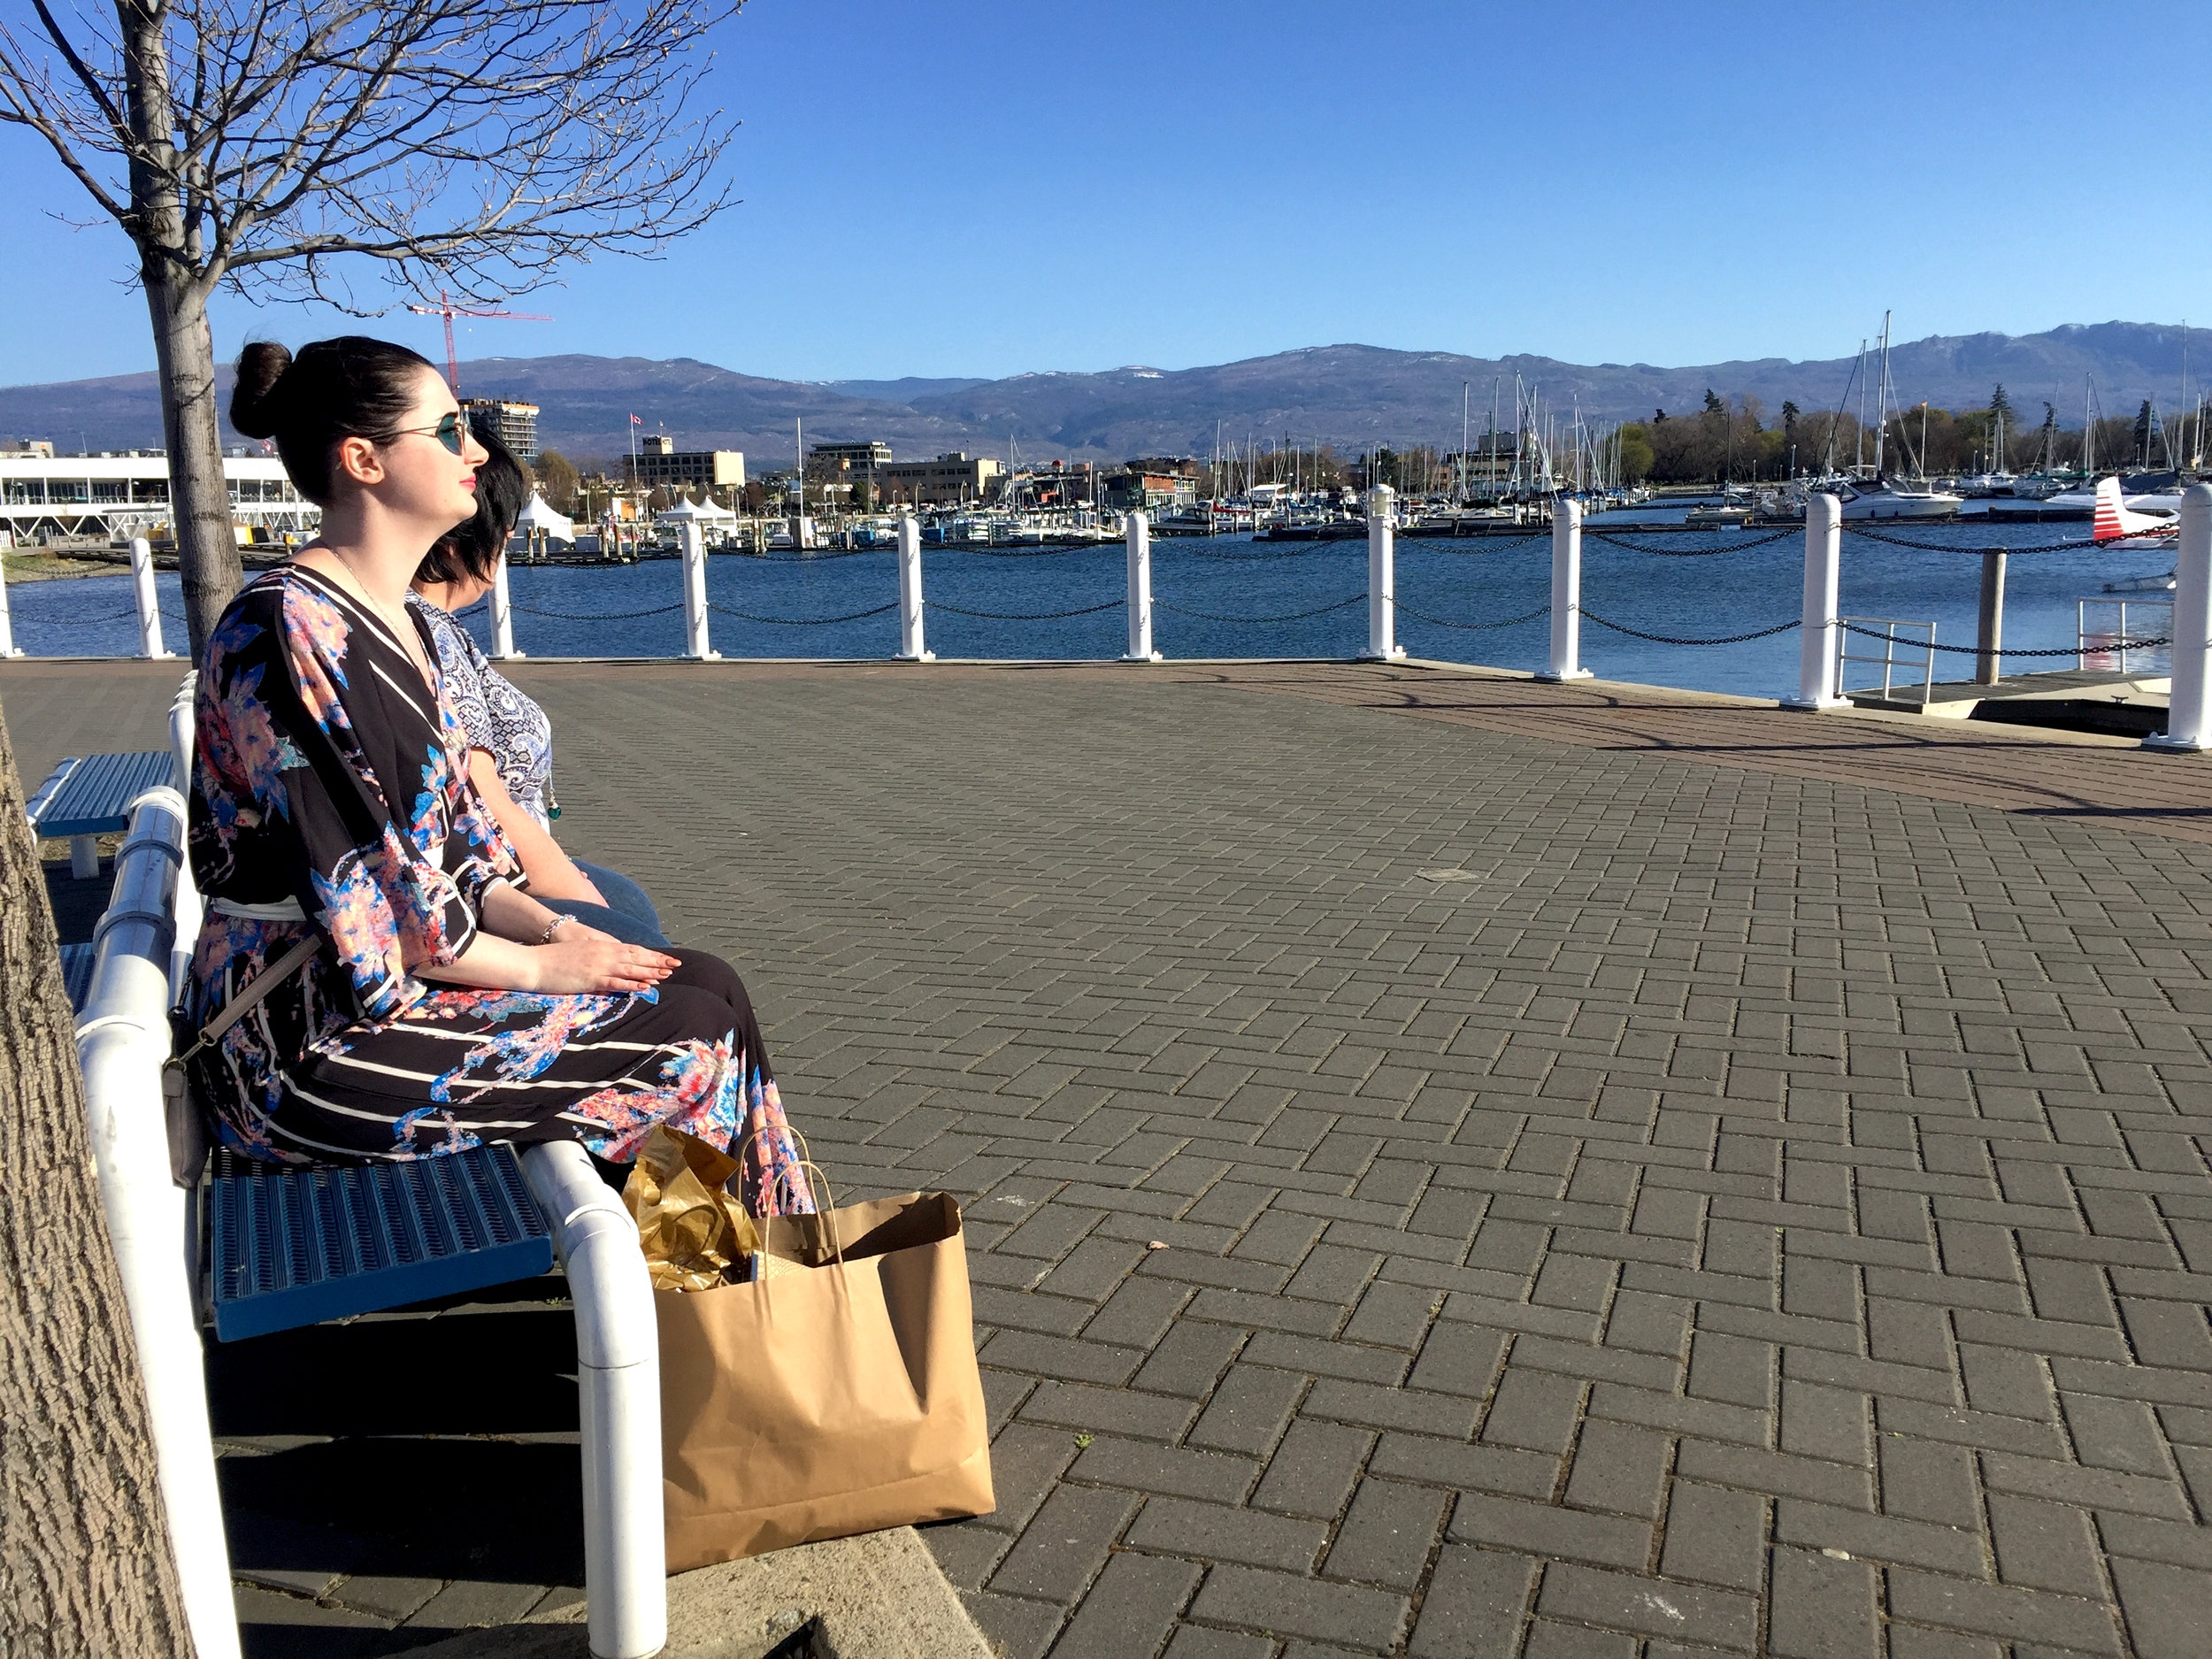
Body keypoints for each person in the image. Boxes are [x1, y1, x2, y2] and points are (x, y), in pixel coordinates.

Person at [185, 334, 804, 1204]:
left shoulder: (395, 624)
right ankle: (734, 1295)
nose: (474, 450)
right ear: (362, 460)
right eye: (446, 431)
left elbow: (465, 854)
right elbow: (378, 907)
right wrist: (550, 970)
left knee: (705, 981)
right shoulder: (292, 633)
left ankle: (772, 1272)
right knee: (689, 1031)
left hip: (387, 992)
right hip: (306, 1042)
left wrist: (558, 932)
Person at [408, 429, 669, 947]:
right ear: (461, 543)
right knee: (655, 957)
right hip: (495, 880)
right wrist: (583, 904)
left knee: (633, 904)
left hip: (505, 869)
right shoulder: (427, 631)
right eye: (504, 537)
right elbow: (484, 799)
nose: (506, 551)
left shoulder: (427, 622)